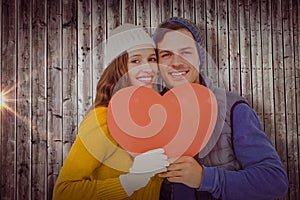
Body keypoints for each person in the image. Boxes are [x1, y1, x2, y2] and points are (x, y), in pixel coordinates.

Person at [154, 17, 289, 200]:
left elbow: (274, 181)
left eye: (186, 52)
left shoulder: (233, 109)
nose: (176, 62)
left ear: (200, 58)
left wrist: (205, 178)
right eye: (166, 54)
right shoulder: (151, 113)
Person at [53, 24, 169, 200]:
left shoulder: (153, 119)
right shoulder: (102, 120)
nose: (148, 68)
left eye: (152, 59)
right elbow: (63, 193)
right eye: (135, 61)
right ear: (118, 68)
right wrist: (129, 182)